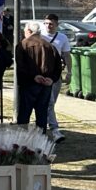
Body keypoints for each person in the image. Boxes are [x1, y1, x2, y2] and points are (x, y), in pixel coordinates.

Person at [15, 21, 62, 131]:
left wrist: (33, 77)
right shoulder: (49, 46)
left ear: (29, 31)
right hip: (46, 83)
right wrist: (52, 79)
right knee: (42, 113)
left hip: (28, 84)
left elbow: (21, 66)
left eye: (24, 31)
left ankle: (22, 137)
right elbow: (58, 66)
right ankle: (41, 136)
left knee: (24, 113)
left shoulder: (23, 45)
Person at [42, 14, 71, 143]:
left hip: (56, 74)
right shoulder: (40, 36)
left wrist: (69, 72)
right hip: (43, 74)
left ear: (57, 25)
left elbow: (67, 55)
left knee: (51, 103)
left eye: (51, 24)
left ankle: (43, 125)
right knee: (49, 102)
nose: (48, 26)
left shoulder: (62, 37)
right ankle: (54, 130)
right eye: (46, 23)